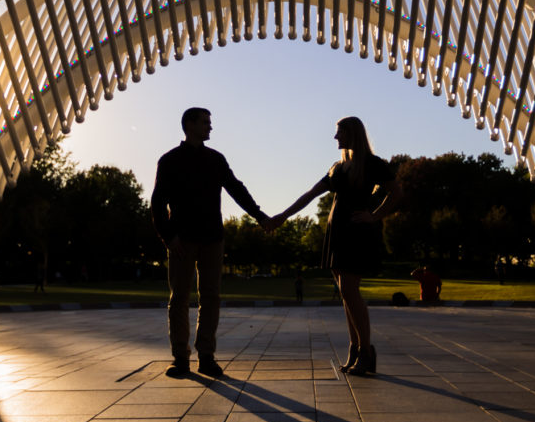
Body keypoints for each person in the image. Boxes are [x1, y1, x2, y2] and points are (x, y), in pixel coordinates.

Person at [269, 116, 401, 376]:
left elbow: (397, 192)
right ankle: (355, 349)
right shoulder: (337, 168)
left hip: (356, 233)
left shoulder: (373, 164)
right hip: (336, 233)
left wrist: (374, 216)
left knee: (350, 291)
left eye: (339, 132)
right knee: (345, 294)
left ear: (352, 134)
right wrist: (282, 216)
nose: (335, 137)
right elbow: (310, 194)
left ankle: (366, 351)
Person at [151, 107, 271, 378]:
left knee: (211, 298)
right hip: (182, 239)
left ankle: (206, 356)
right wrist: (169, 237)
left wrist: (259, 216)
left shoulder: (215, 159)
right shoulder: (170, 160)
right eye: (206, 122)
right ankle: (180, 358)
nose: (210, 127)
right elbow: (157, 203)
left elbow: (236, 189)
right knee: (179, 298)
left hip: (212, 238)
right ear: (189, 124)